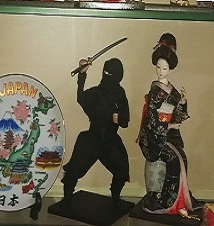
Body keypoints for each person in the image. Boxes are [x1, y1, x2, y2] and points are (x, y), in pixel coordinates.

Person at [138, 33, 200, 216]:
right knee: (174, 159)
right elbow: (153, 119)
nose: (160, 71)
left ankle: (182, 197)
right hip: (155, 136)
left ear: (170, 70)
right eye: (158, 67)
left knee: (182, 157)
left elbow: (178, 115)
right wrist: (168, 127)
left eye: (164, 68)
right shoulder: (155, 92)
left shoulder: (172, 91)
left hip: (168, 134)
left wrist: (183, 102)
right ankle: (166, 199)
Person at [62, 57, 130, 206]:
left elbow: (126, 120)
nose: (108, 76)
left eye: (111, 74)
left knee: (122, 169)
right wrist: (82, 74)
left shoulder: (120, 94)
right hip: (92, 139)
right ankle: (67, 198)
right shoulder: (96, 93)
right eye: (106, 73)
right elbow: (81, 98)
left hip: (111, 140)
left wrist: (119, 119)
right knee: (74, 170)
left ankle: (116, 197)